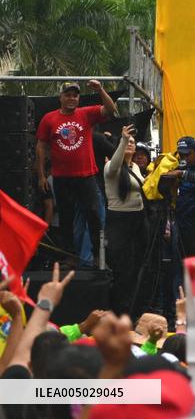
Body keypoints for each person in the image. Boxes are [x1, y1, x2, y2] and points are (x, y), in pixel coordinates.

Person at [35, 80, 117, 255]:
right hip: (61, 177)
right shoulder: (49, 118)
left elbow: (111, 110)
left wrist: (101, 89)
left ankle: (97, 255)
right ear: (61, 97)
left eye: (75, 95)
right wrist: (41, 176)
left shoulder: (86, 114)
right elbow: (41, 146)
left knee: (94, 213)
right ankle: (70, 255)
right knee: (66, 217)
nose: (72, 98)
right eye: (68, 95)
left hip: (86, 176)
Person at [103, 124, 148, 316]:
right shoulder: (110, 167)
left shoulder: (136, 166)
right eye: (127, 142)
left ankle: (134, 309)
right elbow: (114, 165)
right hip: (119, 221)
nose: (131, 144)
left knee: (138, 266)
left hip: (138, 220)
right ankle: (120, 311)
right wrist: (122, 139)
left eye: (132, 142)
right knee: (123, 270)